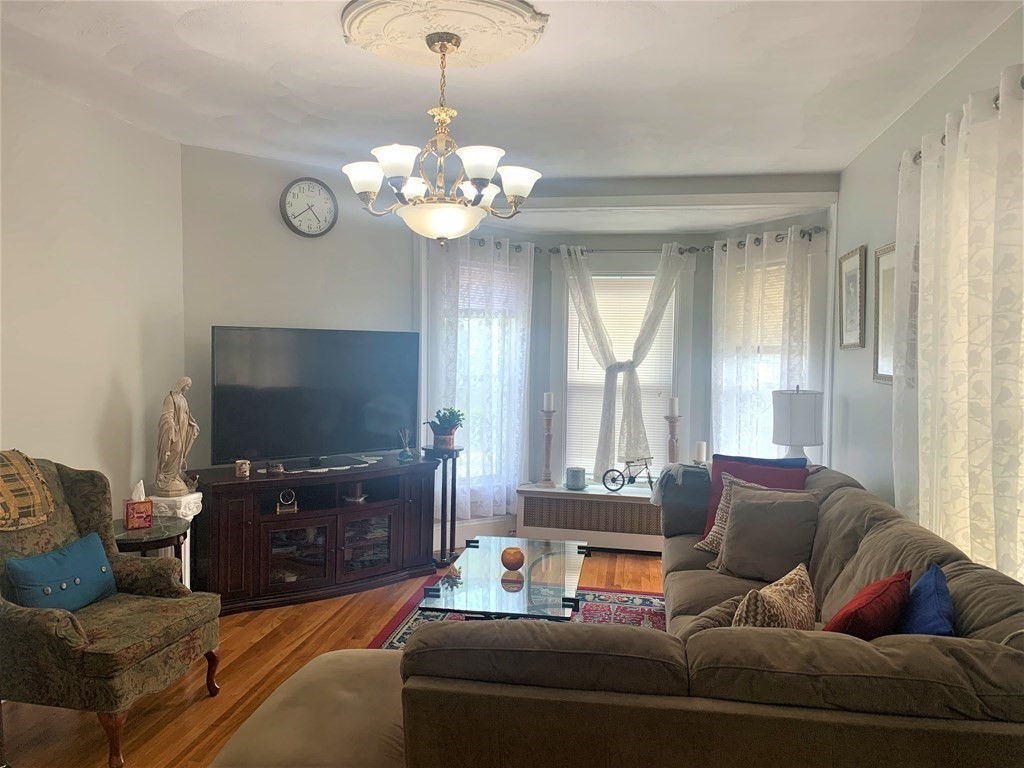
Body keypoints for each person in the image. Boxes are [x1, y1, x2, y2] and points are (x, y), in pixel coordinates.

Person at [155, 377, 200, 497]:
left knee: (180, 452)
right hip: (175, 429)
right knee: (176, 449)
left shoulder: (183, 399)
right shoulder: (170, 398)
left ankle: (174, 475)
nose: (187, 388)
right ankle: (167, 474)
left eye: (189, 387)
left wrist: (192, 424)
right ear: (182, 384)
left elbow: (187, 414)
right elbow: (167, 414)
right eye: (187, 386)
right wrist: (170, 425)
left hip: (183, 429)